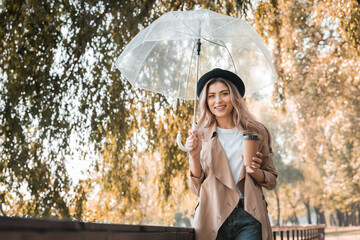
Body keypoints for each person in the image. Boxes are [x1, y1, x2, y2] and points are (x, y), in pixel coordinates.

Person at [186, 68, 278, 240]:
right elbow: (196, 188)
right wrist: (194, 157)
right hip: (213, 215)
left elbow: (271, 179)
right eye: (211, 95)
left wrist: (255, 171)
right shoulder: (200, 135)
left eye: (224, 93)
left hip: (249, 215)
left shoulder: (257, 132)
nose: (218, 100)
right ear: (206, 100)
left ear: (234, 96)